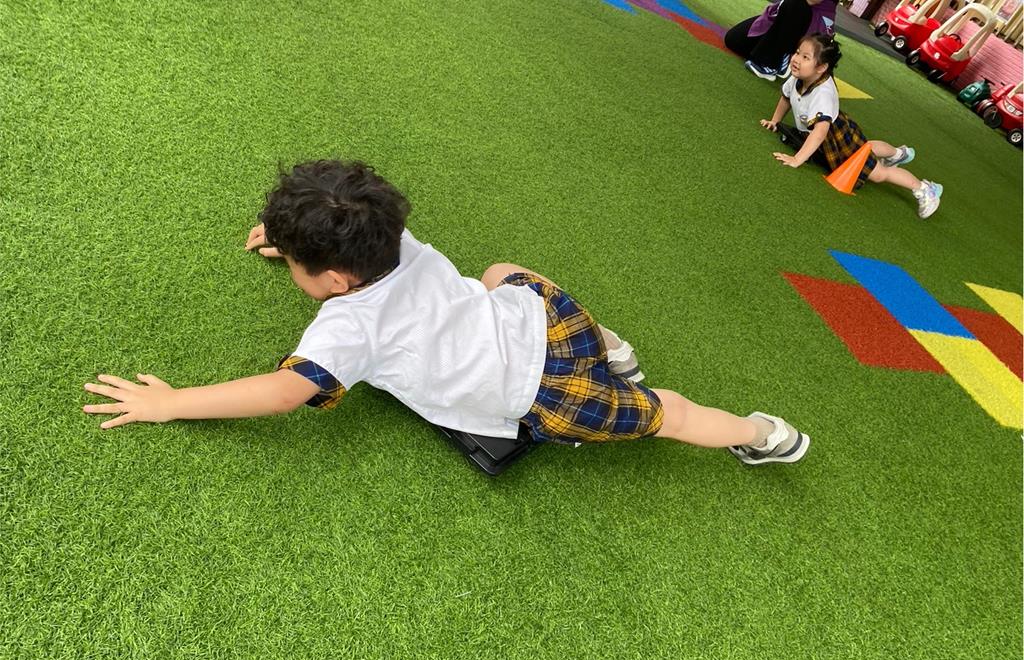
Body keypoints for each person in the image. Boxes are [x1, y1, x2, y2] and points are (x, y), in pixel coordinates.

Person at [82, 160, 809, 466]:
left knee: (669, 412)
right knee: (498, 273)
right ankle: (612, 346)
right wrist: (293, 237)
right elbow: (346, 230)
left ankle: (765, 436)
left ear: (332, 279)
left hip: (543, 391)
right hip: (549, 318)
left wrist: (169, 403)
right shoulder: (393, 237)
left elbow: (280, 392)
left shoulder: (348, 328)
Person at [761, 34, 943, 218]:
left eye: (805, 57)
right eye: (797, 53)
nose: (796, 59)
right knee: (865, 147)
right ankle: (898, 153)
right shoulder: (798, 77)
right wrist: (775, 121)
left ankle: (925, 188)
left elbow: (820, 132)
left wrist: (797, 159)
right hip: (827, 134)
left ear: (821, 68)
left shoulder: (823, 93)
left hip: (834, 135)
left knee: (878, 174)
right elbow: (786, 98)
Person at [725, 0, 837, 80]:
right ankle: (777, 53)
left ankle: (774, 62)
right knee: (734, 41)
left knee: (795, 3)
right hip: (791, 13)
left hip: (810, 18)